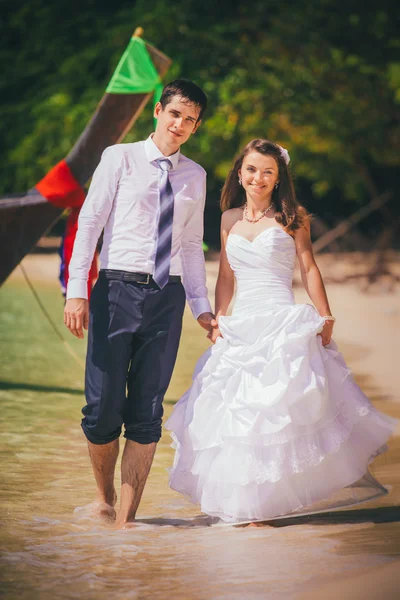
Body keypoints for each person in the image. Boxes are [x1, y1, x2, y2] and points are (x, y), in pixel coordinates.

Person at [166, 139, 397, 524]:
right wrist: (219, 317)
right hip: (240, 325)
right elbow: (225, 275)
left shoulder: (294, 217)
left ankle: (267, 507)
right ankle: (247, 506)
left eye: (268, 172)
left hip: (281, 320)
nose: (259, 178)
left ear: (278, 178)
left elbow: (308, 267)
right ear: (239, 173)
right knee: (239, 418)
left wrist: (326, 315)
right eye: (252, 170)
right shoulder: (228, 219)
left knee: (276, 413)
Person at [63, 79, 217, 529]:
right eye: (175, 114)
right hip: (114, 289)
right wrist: (77, 290)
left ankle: (126, 524)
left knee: (147, 410)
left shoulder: (196, 176)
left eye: (190, 120)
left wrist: (200, 305)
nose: (181, 125)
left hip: (166, 298)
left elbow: (190, 245)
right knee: (101, 406)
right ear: (158, 111)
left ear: (196, 126)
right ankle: (104, 499)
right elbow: (89, 224)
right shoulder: (120, 158)